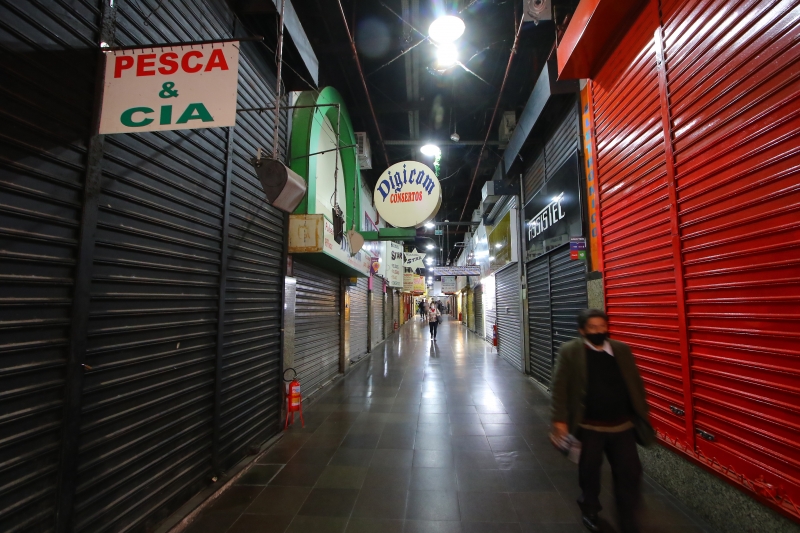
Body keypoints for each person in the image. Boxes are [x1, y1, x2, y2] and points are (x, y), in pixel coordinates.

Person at [550, 309, 654, 533]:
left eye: (602, 326)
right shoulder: (571, 351)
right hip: (589, 426)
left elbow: (634, 383)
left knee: (630, 473)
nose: (598, 331)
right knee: (589, 473)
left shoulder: (621, 350)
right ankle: (590, 510)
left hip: (622, 425)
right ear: (582, 330)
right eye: (593, 328)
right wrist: (559, 420)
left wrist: (641, 413)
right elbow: (559, 387)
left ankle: (628, 517)